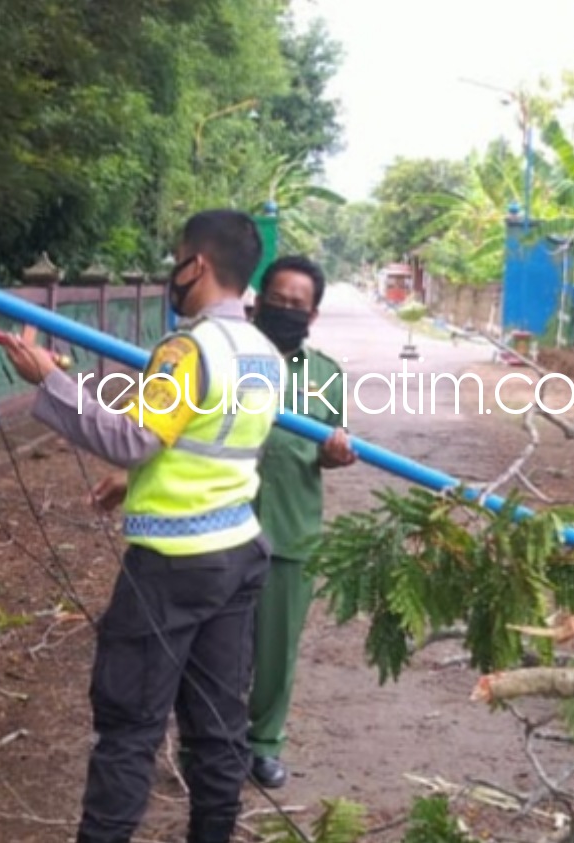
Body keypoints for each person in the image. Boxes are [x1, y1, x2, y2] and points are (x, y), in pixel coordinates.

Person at [3, 209, 285, 843]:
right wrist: (133, 483)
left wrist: (51, 381)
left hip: (173, 562)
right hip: (238, 552)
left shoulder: (187, 349)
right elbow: (217, 444)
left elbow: (134, 437)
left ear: (197, 264)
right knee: (217, 728)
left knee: (129, 726)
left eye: (177, 259)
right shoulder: (264, 354)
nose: (172, 273)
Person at [245, 255, 357, 788]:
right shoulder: (227, 359)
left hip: (290, 531)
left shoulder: (325, 377)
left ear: (311, 315)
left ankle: (263, 744)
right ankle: (210, 742)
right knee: (215, 644)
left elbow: (331, 446)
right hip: (221, 525)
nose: (286, 310)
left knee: (275, 650)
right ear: (257, 303)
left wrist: (336, 455)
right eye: (278, 300)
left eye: (297, 304)